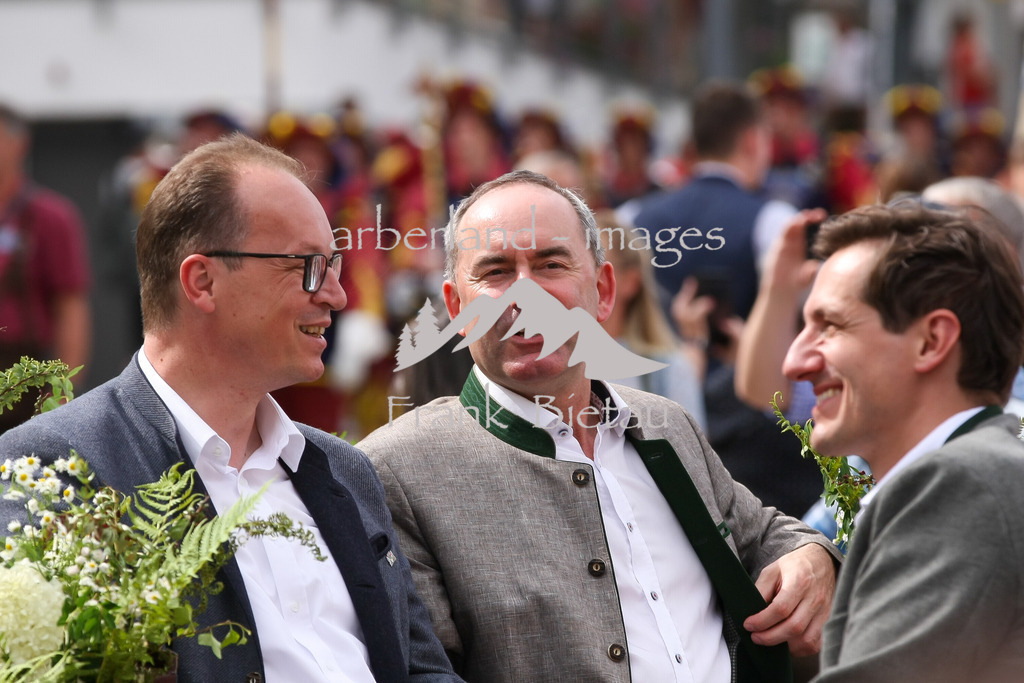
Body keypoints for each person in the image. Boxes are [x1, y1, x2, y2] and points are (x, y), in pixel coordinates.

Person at [0, 134, 460, 683]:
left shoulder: (347, 470)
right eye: (308, 266)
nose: (336, 295)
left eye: (335, 265)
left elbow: (424, 671)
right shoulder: (54, 469)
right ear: (203, 281)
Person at [359, 170, 841, 683]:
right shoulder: (397, 470)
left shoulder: (663, 423)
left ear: (604, 291)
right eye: (496, 271)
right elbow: (422, 671)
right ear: (456, 307)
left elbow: (762, 531)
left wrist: (812, 556)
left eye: (551, 264)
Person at [782, 204, 1024, 682]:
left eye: (830, 325)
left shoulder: (962, 481)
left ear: (931, 341)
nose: (796, 362)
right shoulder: (979, 467)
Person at [0, 103, 91, 431]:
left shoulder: (50, 217)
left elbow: (71, 307)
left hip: (26, 377)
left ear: (18, 143)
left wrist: (64, 390)